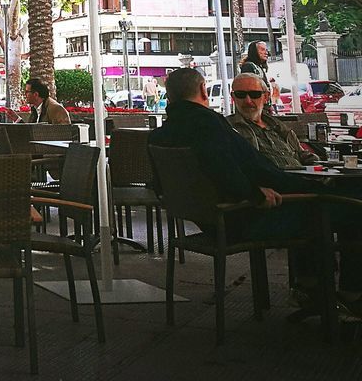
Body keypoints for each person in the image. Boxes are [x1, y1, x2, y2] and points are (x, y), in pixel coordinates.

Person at [149, 67, 362, 309]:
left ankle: (311, 287)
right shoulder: (209, 125)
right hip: (244, 219)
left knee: (320, 206)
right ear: (202, 90)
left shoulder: (158, 136)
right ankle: (351, 295)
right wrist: (256, 194)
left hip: (211, 221)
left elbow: (161, 188)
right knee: (350, 207)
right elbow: (247, 168)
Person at [226, 73, 312, 169]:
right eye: (240, 95)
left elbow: (301, 154)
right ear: (233, 97)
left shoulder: (277, 126)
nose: (248, 101)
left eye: (255, 94)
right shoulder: (228, 128)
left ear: (266, 97)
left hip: (303, 176)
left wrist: (316, 162)